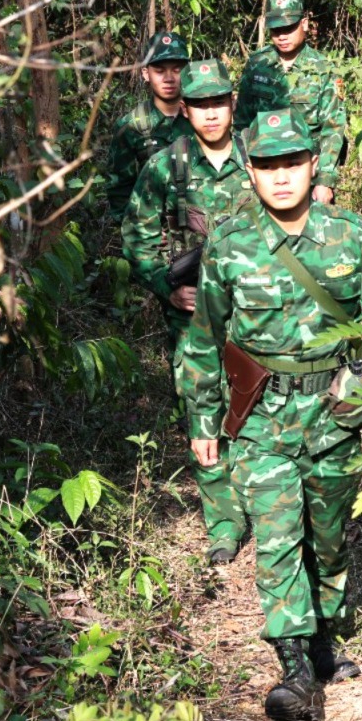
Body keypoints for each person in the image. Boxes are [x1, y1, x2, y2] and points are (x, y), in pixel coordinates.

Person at [176, 110, 362, 721]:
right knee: (278, 539)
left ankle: (324, 637)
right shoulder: (229, 243)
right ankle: (296, 671)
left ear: (313, 166)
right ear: (251, 173)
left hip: (333, 414)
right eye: (267, 166)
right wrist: (203, 419)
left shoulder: (352, 236)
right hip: (259, 417)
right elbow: (204, 337)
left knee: (327, 539)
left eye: (291, 164)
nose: (281, 178)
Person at [120, 60, 255, 563]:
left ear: (232, 103)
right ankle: (223, 524)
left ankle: (267, 507)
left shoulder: (257, 157)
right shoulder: (166, 166)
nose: (211, 113)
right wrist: (164, 286)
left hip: (257, 314)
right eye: (199, 105)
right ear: (185, 108)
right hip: (194, 318)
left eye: (218, 102)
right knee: (202, 411)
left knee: (260, 408)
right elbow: (137, 235)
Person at [237, 0, 349, 204]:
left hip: (307, 174)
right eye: (276, 30)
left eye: (288, 28)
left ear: (304, 24)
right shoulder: (257, 65)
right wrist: (246, 172)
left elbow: (333, 127)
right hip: (265, 173)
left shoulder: (323, 69)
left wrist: (325, 181)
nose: (282, 36)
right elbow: (242, 124)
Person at [100, 30, 191, 221]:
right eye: (159, 70)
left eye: (177, 69)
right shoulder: (131, 127)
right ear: (145, 74)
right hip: (155, 236)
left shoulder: (204, 117)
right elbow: (119, 190)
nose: (168, 78)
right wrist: (135, 234)